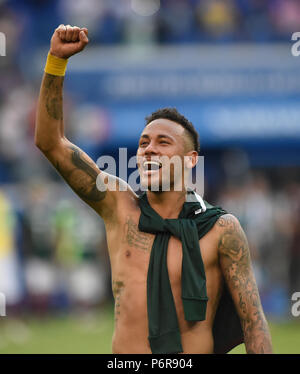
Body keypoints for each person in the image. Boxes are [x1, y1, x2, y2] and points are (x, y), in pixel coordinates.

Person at [35, 24, 273, 354]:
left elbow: (253, 321)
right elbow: (50, 143)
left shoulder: (221, 229)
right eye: (143, 143)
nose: (148, 149)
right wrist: (57, 62)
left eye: (163, 142)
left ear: (191, 160)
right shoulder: (118, 207)